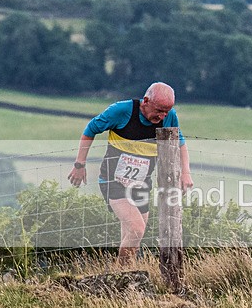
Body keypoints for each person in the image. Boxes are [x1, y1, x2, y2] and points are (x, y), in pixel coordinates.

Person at [67, 82, 193, 264]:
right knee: (136, 229)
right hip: (113, 181)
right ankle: (121, 275)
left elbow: (180, 143)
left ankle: (127, 277)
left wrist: (186, 173)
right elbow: (90, 130)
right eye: (159, 110)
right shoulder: (121, 111)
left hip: (141, 185)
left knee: (132, 235)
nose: (163, 116)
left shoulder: (169, 117)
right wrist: (80, 165)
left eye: (167, 111)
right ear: (146, 101)